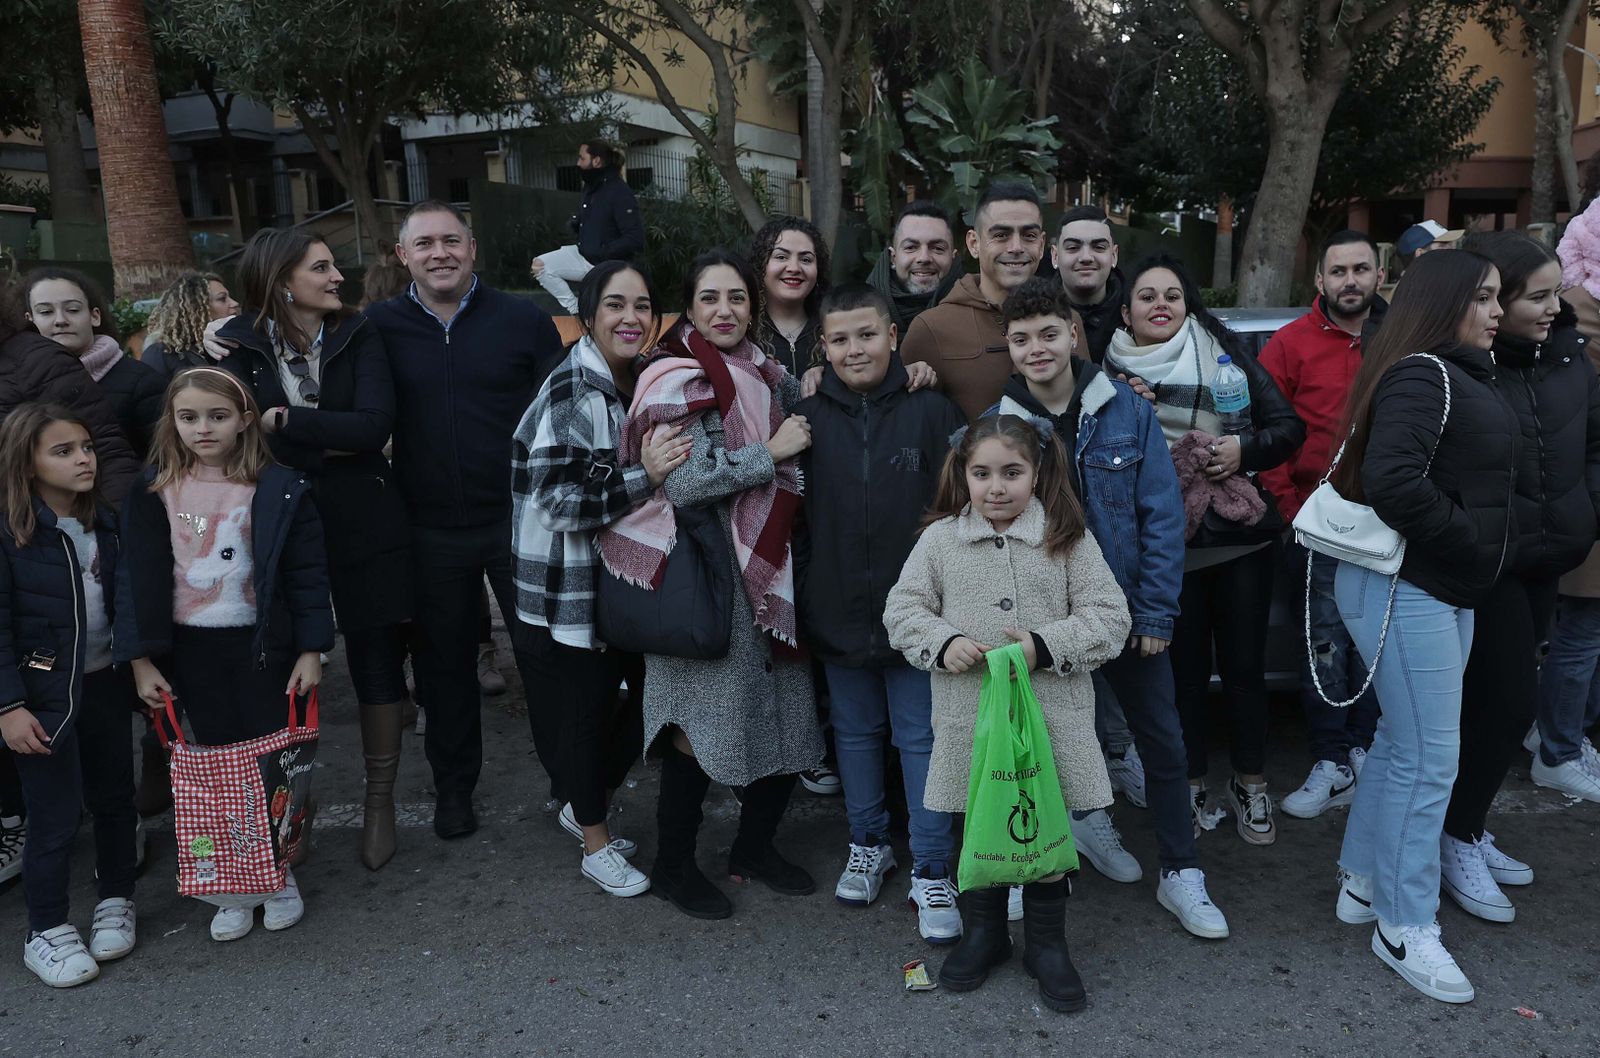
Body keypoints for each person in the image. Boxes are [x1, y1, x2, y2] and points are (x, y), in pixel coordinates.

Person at [988, 277, 1229, 939]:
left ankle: (1180, 870)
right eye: (1020, 338)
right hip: (1038, 621)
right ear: (1008, 349)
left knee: (1164, 742)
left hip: (1120, 614)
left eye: (1047, 332)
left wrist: (1155, 613)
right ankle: (1031, 858)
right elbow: (984, 535)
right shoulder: (994, 428)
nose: (1036, 348)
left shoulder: (1126, 411)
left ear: (1073, 333)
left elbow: (1160, 515)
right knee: (1033, 745)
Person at [597, 249, 823, 920]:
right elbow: (687, 481)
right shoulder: (675, 378)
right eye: (708, 299)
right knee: (696, 732)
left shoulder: (766, 374)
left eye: (735, 298)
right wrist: (770, 454)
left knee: (787, 720)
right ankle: (674, 867)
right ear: (689, 311)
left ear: (752, 306)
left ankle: (752, 849)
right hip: (702, 583)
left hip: (767, 579)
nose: (724, 310)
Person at [883, 414, 1131, 1012]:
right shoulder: (940, 541)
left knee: (1044, 827)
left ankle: (1046, 945)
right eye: (983, 473)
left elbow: (1110, 616)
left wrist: (1042, 646)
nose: (997, 487)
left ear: (1038, 473)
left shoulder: (1068, 537)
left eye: (1012, 473)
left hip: (1052, 721)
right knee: (981, 827)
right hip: (973, 722)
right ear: (962, 474)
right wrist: (942, 642)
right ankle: (985, 935)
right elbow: (903, 608)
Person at [1326, 248, 1517, 1004]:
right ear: (1446, 306)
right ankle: (1405, 924)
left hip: (1434, 586)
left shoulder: (1459, 372)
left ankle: (1363, 883)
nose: (1499, 311)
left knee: (1410, 750)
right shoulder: (1423, 374)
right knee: (1431, 758)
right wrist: (1470, 540)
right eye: (1487, 298)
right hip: (1409, 584)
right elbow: (1394, 482)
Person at [212, 227, 414, 871]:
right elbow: (234, 437)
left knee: (376, 653)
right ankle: (284, 808)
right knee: (277, 661)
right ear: (282, 282)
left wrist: (284, 419)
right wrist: (324, 436)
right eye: (321, 268)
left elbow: (375, 425)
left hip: (365, 516)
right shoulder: (236, 345)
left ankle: (379, 802)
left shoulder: (360, 331)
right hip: (277, 519)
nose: (337, 279)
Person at [365, 200, 564, 840]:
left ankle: (573, 788)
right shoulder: (378, 327)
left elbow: (561, 412)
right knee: (444, 669)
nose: (439, 253)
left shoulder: (522, 319)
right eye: (424, 243)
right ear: (404, 257)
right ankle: (454, 790)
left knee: (545, 658)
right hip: (427, 527)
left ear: (472, 248)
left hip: (519, 520)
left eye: (451, 240)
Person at [114, 367, 333, 943]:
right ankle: (233, 888)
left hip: (263, 646)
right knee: (213, 770)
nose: (203, 428)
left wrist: (312, 649)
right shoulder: (155, 486)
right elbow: (134, 578)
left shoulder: (278, 483)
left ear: (242, 419)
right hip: (190, 648)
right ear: (172, 422)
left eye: (217, 416)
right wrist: (140, 660)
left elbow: (308, 573)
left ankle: (276, 874)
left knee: (267, 766)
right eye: (188, 417)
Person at [1105, 256, 1304, 847]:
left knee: (1244, 670)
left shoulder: (1223, 352)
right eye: (1146, 296)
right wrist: (1120, 404)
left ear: (1189, 305)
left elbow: (1287, 429)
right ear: (1125, 312)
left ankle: (1251, 785)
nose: (1160, 304)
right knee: (1182, 675)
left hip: (1238, 539)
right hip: (1165, 546)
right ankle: (1189, 786)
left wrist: (1244, 450)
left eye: (1173, 294)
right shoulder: (1102, 372)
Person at [793, 283, 966, 942]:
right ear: (824, 347)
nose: (855, 348)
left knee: (921, 739)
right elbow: (798, 520)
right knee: (856, 737)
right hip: (838, 607)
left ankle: (932, 865)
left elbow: (962, 510)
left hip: (920, 616)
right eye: (839, 339)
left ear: (893, 336)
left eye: (867, 334)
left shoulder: (932, 411)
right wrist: (810, 591)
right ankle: (868, 842)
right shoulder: (807, 417)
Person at [1434, 232, 1600, 921]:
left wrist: (1586, 509)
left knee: (1499, 711)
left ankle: (1464, 826)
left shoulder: (1571, 360)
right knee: (1504, 706)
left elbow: (1594, 444)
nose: (1554, 307)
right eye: (1538, 295)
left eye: (1558, 291)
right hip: (1488, 565)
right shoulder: (1465, 368)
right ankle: (1455, 836)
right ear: (1493, 297)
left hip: (1547, 557)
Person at [511, 261, 690, 898]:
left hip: (617, 580)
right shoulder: (573, 391)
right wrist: (646, 475)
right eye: (615, 305)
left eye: (643, 306)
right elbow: (556, 505)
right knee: (587, 715)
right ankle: (594, 840)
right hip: (570, 587)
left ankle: (583, 805)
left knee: (643, 702)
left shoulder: (635, 377)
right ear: (589, 317)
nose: (631, 318)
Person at [0, 404, 139, 987]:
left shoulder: (104, 520)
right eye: (63, 451)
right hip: (43, 700)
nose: (83, 458)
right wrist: (8, 706)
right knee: (54, 816)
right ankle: (46, 929)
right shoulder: (13, 534)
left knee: (114, 798)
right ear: (26, 465)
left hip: (106, 683)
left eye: (86, 447)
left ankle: (116, 898)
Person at [1258, 231, 1388, 820]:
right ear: (1320, 280)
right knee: (1326, 644)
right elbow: (1264, 432)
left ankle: (1366, 751)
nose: (1350, 281)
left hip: (1392, 522)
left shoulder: (1404, 338)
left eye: (1361, 268)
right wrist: (1290, 510)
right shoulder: (1288, 345)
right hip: (1318, 524)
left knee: (1378, 644)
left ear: (1379, 275)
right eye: (1339, 271)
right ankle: (1331, 759)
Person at [901, 181, 1048, 421]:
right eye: (1000, 235)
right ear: (974, 243)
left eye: (1029, 235)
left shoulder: (1066, 320)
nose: (1016, 247)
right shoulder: (931, 329)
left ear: (1041, 245)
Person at [21, 268, 166, 457]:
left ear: (94, 316)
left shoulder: (143, 382)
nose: (60, 320)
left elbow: (165, 462)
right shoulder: (17, 382)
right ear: (30, 320)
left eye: (72, 309)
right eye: (46, 312)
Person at [531, 140, 645, 315]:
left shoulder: (619, 192)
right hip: (583, 254)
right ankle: (575, 309)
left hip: (606, 264)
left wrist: (604, 252)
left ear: (596, 161)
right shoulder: (591, 188)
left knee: (605, 309)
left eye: (581, 158)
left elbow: (635, 238)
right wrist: (576, 224)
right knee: (541, 265)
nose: (578, 163)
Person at [865, 200, 963, 336]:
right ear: (893, 258)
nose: (924, 258)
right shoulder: (863, 314)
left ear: (953, 257)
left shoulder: (974, 312)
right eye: (911, 247)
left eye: (937, 248)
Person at [751, 215, 830, 378]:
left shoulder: (835, 328)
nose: (794, 268)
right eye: (781, 257)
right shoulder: (744, 330)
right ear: (761, 265)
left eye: (806, 259)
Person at [1052, 206, 1126, 360]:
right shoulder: (1035, 312)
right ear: (1055, 256)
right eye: (1073, 247)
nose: (1086, 257)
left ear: (1114, 256)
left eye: (1099, 247)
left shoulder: (1135, 315)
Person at [141, 272, 239, 377]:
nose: (235, 303)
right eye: (222, 298)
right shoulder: (160, 353)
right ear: (196, 309)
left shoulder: (236, 343)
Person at [1395, 220, 1464, 270]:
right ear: (1420, 254)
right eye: (1442, 245)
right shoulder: (1413, 288)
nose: (1451, 248)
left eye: (1449, 243)